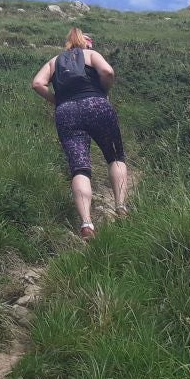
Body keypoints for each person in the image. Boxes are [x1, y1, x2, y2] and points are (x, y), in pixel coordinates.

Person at [31, 28, 128, 240]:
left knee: (79, 167)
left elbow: (37, 83)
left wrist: (58, 101)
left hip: (66, 112)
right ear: (88, 44)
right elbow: (108, 72)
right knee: (115, 156)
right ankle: (121, 207)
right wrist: (103, 92)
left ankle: (86, 223)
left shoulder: (54, 61)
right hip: (97, 105)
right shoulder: (91, 54)